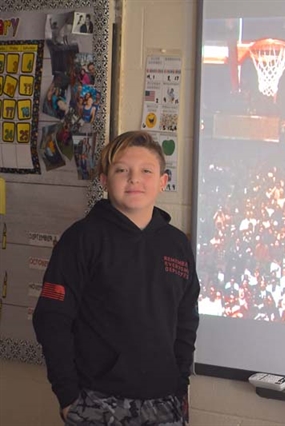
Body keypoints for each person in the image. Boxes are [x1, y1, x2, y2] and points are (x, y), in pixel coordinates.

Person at [33, 131, 200, 425]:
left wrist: (180, 381)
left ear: (163, 181)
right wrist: (69, 397)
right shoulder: (82, 239)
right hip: (98, 402)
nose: (134, 179)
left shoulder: (177, 244)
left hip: (166, 402)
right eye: (122, 170)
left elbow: (186, 319)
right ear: (104, 181)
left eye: (146, 171)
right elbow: (51, 318)